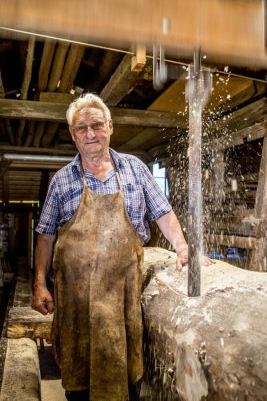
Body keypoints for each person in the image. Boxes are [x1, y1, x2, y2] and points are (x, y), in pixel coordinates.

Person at [31, 93, 189, 401]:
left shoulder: (134, 169)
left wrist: (182, 246)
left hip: (124, 296)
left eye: (96, 125)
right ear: (72, 134)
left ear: (110, 127)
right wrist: (39, 284)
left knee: (124, 375)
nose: (90, 134)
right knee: (78, 381)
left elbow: (163, 213)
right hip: (75, 299)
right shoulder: (61, 180)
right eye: (81, 128)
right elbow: (45, 235)